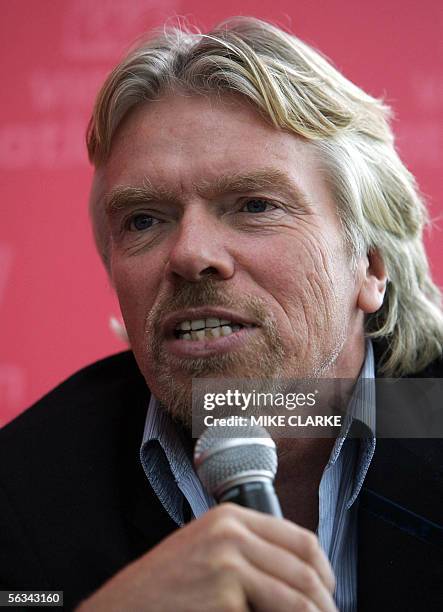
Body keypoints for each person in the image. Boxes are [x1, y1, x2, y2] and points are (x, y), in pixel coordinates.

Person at [1, 17, 442, 612]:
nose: (189, 254)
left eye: (254, 205)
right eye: (144, 220)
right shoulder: (24, 486)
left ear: (369, 264)